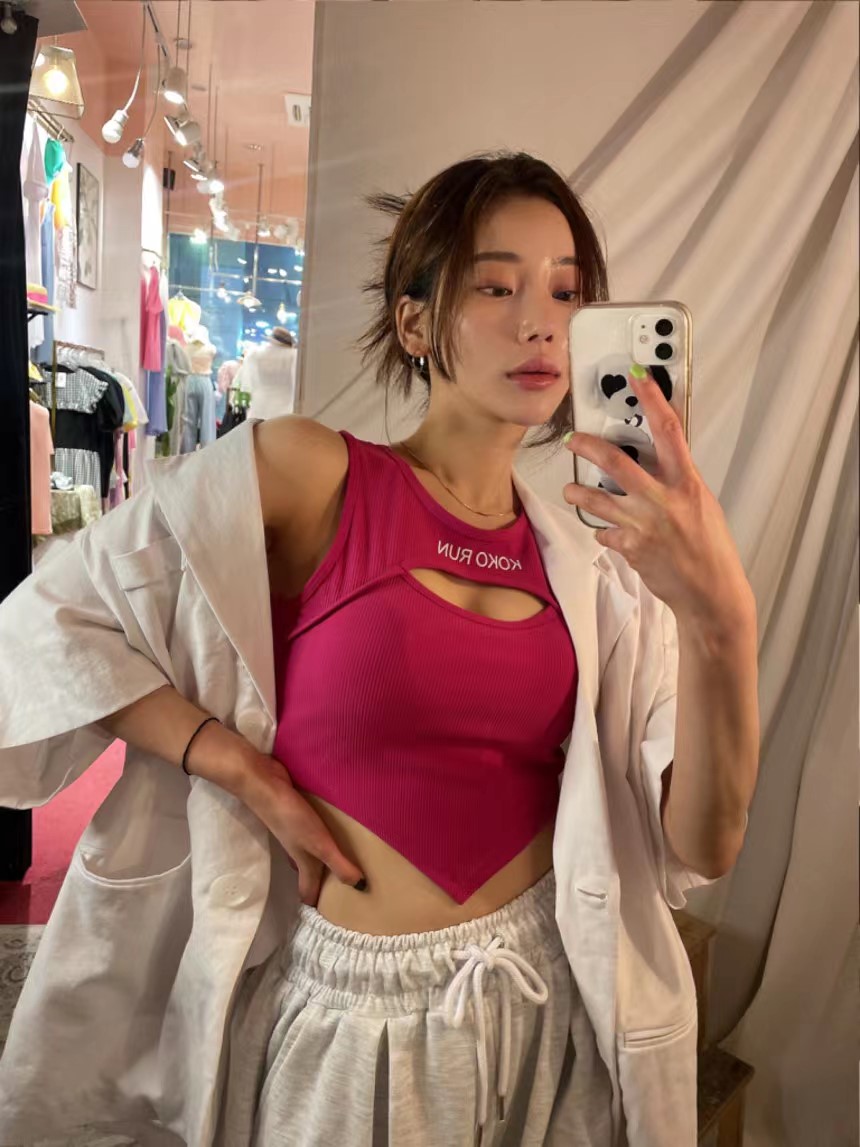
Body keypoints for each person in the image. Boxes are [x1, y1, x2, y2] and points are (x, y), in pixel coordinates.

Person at [0, 152, 756, 1147]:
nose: (540, 322)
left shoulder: (598, 570)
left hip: (551, 1018)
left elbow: (700, 844)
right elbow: (51, 619)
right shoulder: (309, 476)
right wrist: (234, 764)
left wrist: (720, 619)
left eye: (567, 292)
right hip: (355, 1032)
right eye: (495, 286)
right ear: (414, 323)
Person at [235, 326, 298, 421]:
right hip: (286, 405)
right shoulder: (294, 355)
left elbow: (247, 381)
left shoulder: (255, 354)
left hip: (260, 404)